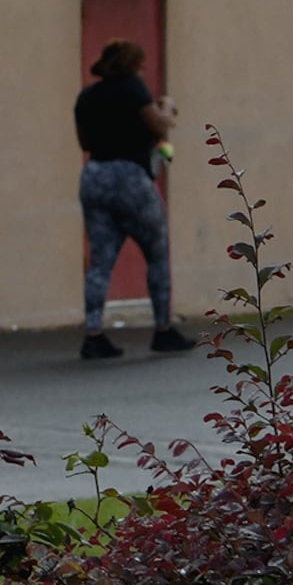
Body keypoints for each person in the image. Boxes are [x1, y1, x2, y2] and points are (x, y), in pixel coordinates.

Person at [74, 39, 192, 359]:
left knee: (100, 260)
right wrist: (166, 106)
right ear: (132, 64)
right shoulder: (133, 88)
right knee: (156, 251)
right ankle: (163, 330)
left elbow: (84, 141)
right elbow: (160, 126)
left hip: (95, 176)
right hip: (130, 178)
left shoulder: (87, 96)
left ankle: (94, 334)